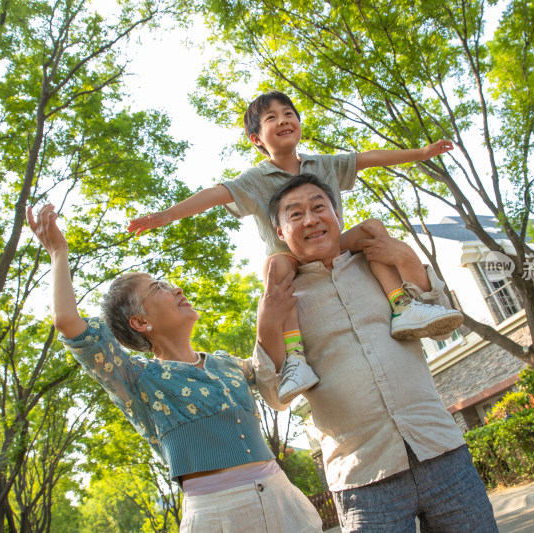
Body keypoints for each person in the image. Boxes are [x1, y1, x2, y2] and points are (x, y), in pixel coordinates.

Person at [127, 90, 463, 404]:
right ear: (256, 138)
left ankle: (403, 306)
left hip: (332, 246)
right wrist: (167, 215)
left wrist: (420, 154)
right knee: (275, 268)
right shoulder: (254, 179)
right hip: (288, 256)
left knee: (373, 229)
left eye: (289, 113)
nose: (284, 119)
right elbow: (214, 195)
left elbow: (369, 158)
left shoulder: (323, 165)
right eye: (271, 118)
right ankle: (296, 357)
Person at [27, 204, 322, 533]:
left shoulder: (227, 364)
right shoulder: (137, 379)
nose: (177, 288)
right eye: (158, 288)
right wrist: (58, 251)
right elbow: (68, 322)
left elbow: (276, 385)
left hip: (283, 499)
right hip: (216, 516)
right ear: (140, 322)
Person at [254, 174, 499, 533]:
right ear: (279, 232)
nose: (310, 219)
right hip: (364, 479)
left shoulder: (378, 262)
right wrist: (266, 328)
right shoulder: (281, 300)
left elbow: (445, 325)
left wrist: (406, 256)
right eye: (295, 214)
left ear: (336, 214)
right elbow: (275, 398)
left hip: (441, 453)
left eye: (319, 207)